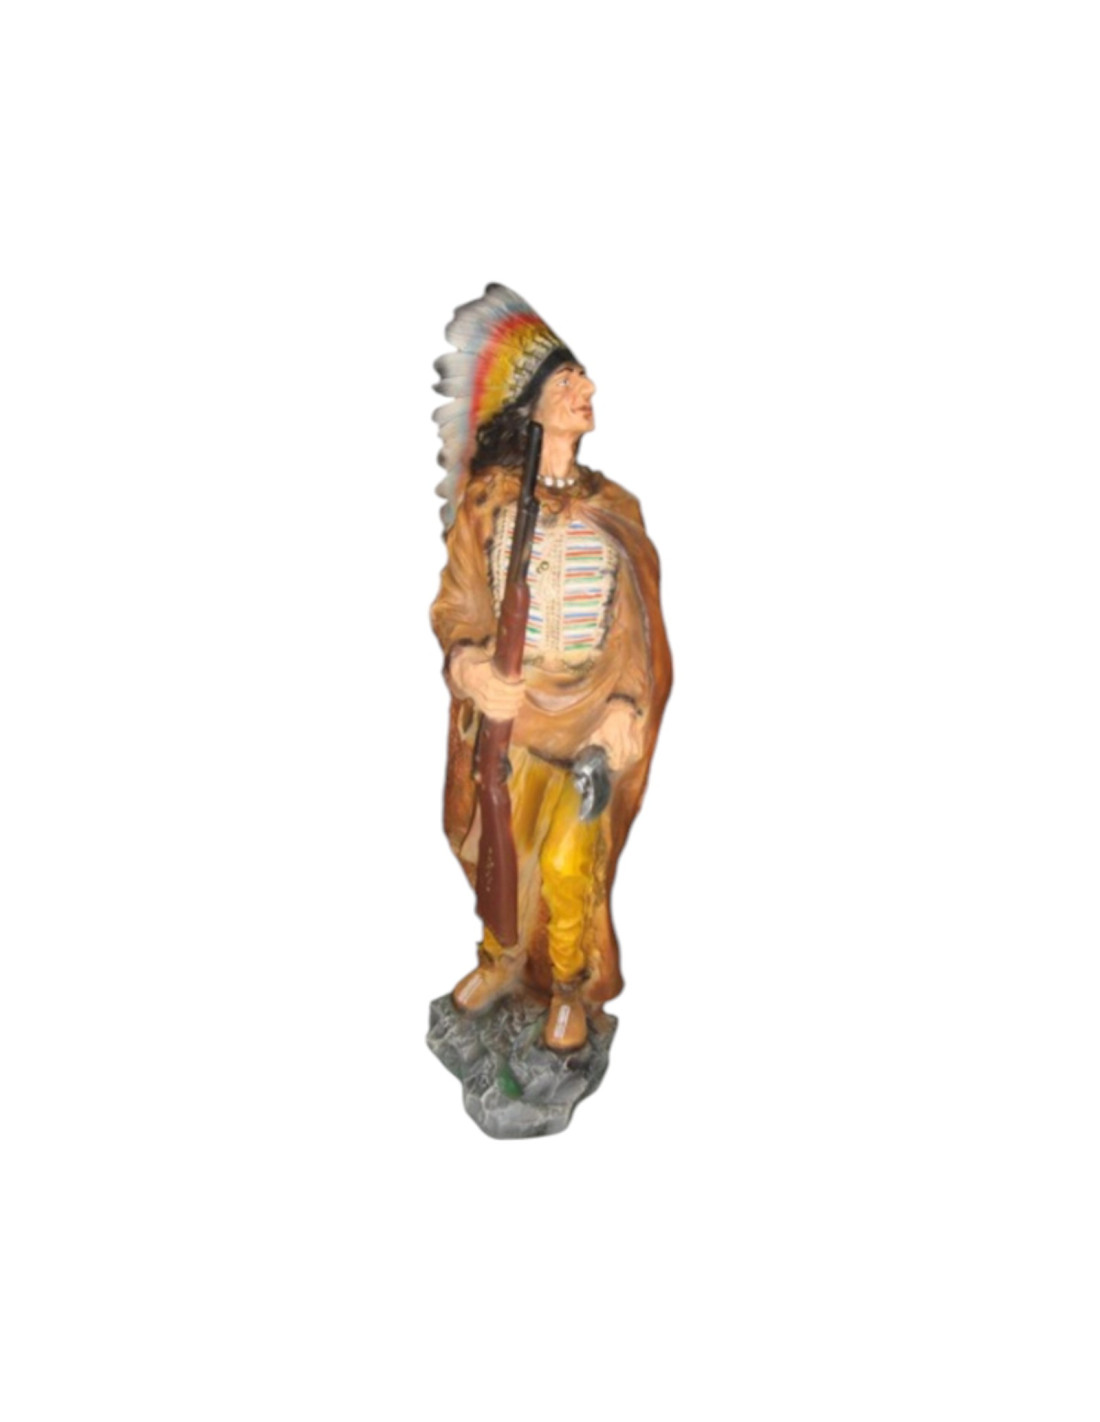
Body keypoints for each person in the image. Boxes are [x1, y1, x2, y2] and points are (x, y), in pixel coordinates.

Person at [430, 285, 671, 1051]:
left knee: (569, 861)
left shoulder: (616, 508)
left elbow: (636, 633)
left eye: (583, 378)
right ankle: (500, 961)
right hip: (510, 718)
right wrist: (471, 668)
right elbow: (459, 602)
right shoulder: (489, 502)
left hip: (588, 719)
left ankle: (567, 986)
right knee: (502, 854)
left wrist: (624, 709)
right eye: (568, 380)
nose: (586, 389)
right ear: (533, 404)